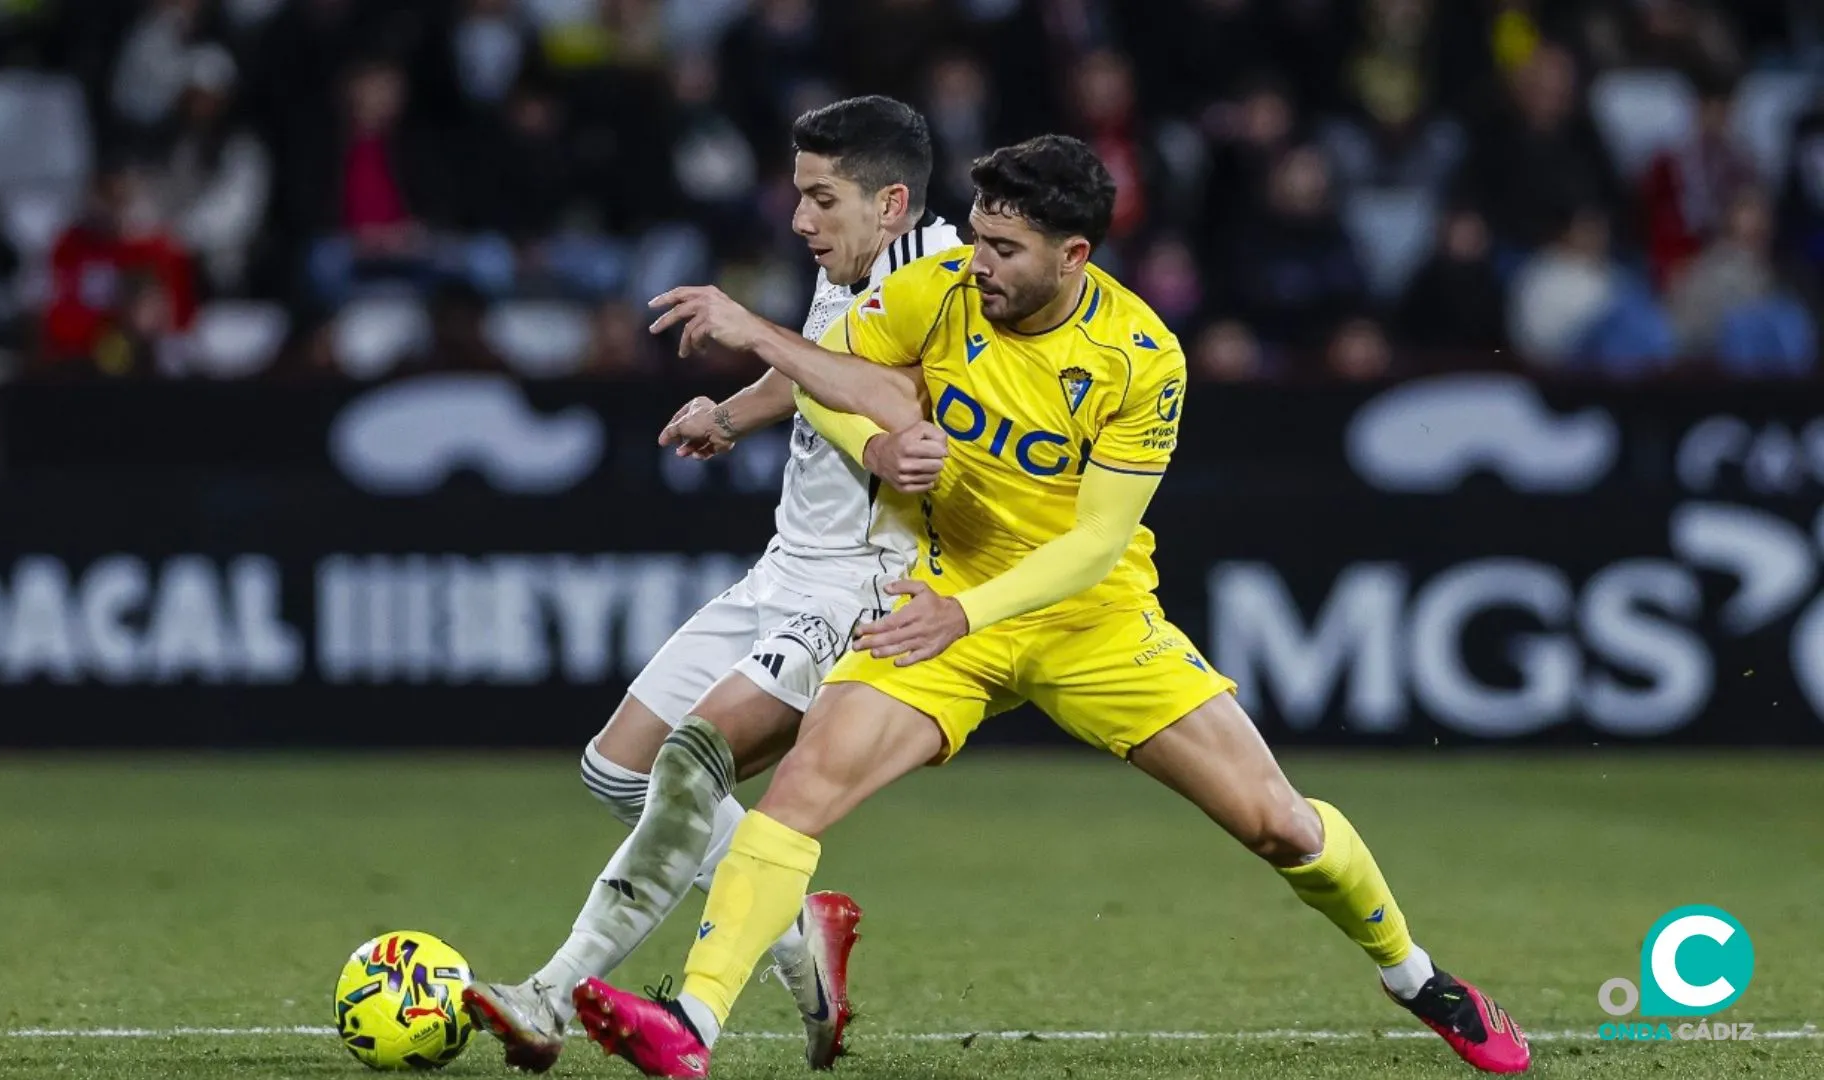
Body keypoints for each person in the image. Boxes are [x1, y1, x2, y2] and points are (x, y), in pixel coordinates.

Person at [572, 135, 1533, 1077]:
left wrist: (967, 610)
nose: (976, 264)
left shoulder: (1140, 357)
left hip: (1090, 620)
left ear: (1073, 256)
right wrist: (871, 438)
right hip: (944, 603)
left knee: (1280, 825)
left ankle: (1418, 979)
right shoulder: (938, 288)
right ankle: (691, 1024)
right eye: (979, 236)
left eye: (1003, 249)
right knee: (800, 794)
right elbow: (834, 381)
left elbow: (1093, 546)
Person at [460, 95, 964, 1073]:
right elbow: (816, 367)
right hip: (786, 566)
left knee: (694, 761)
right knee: (617, 769)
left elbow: (898, 410)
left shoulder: (937, 281)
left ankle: (552, 997)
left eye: (821, 199)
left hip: (866, 584)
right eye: (798, 195)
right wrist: (734, 415)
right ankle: (795, 930)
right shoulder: (853, 262)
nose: (799, 220)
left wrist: (755, 333)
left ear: (891, 202)